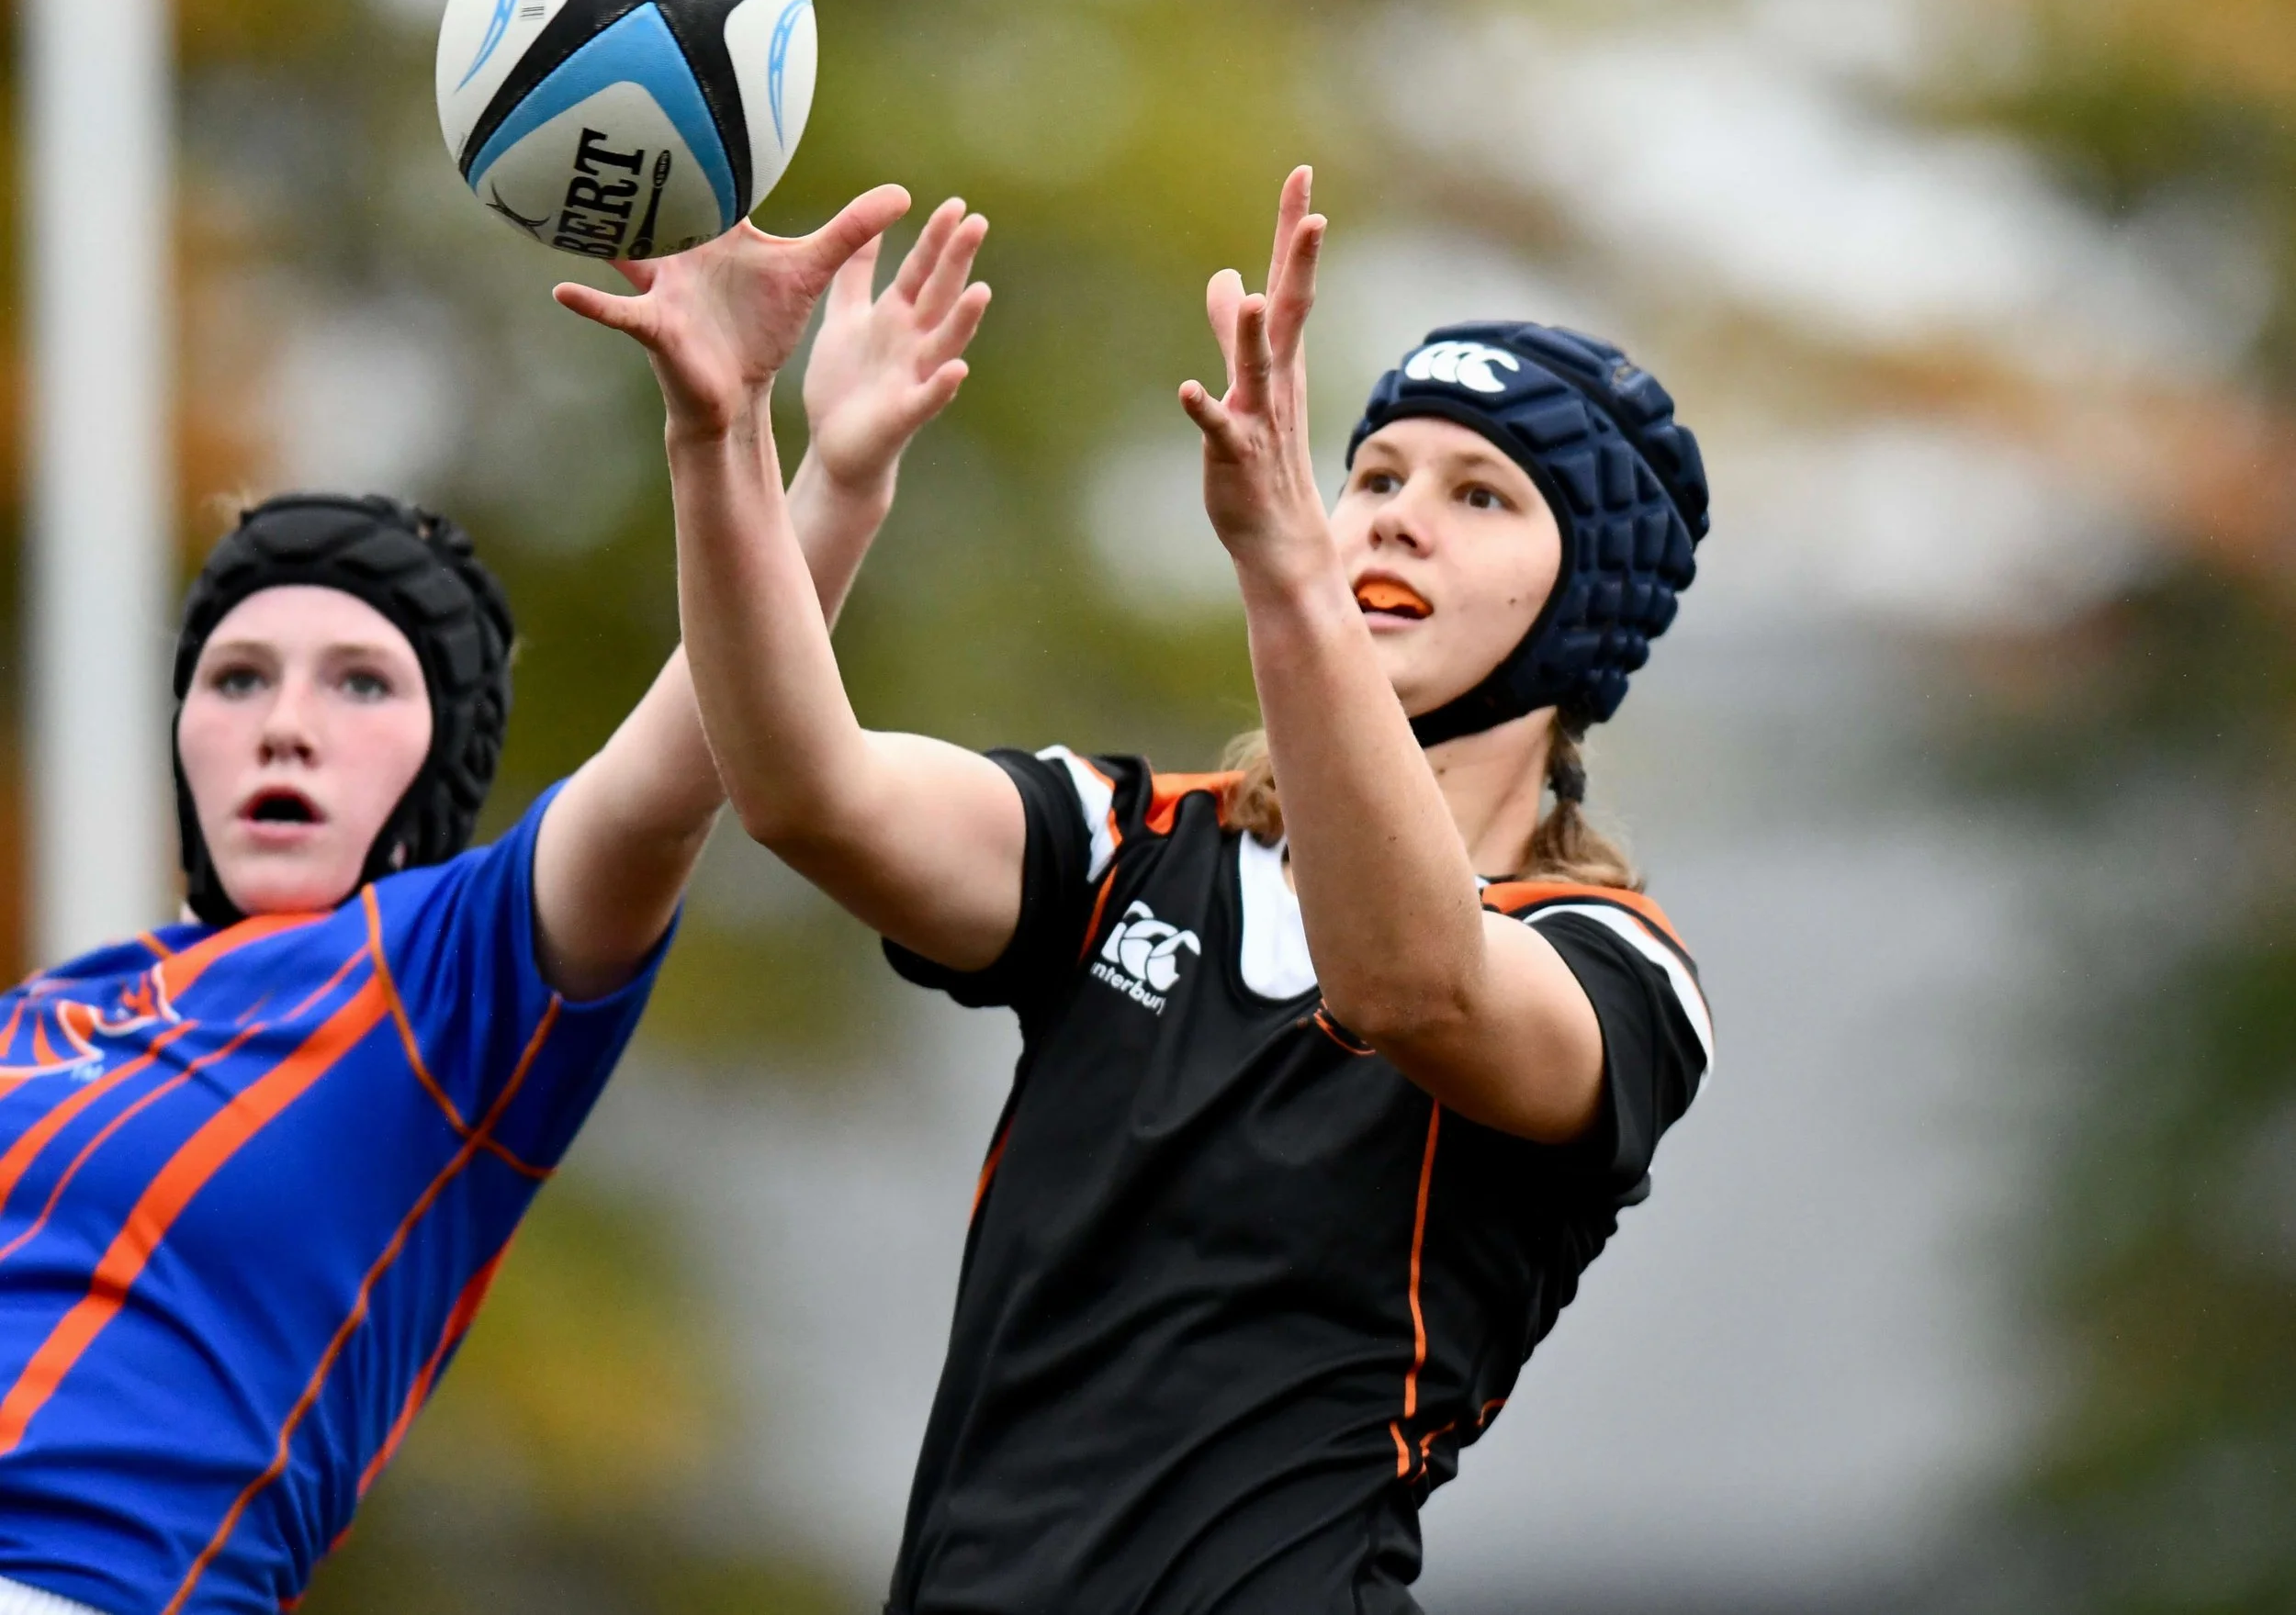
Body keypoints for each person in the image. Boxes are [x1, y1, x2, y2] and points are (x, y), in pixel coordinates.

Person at [567, 169, 1715, 1613]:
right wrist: (737, 436)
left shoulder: (1614, 969)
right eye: (1373, 476)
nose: (1394, 520)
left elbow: (1408, 984)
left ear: (1586, 608)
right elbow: (801, 787)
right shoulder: (1132, 845)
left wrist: (1289, 575)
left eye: (1480, 494)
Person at [0, 183, 984, 1615]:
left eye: (359, 682)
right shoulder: (45, 1013)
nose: (285, 723)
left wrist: (772, 456)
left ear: (444, 751)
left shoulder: (443, 973)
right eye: (237, 677)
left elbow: (677, 768)